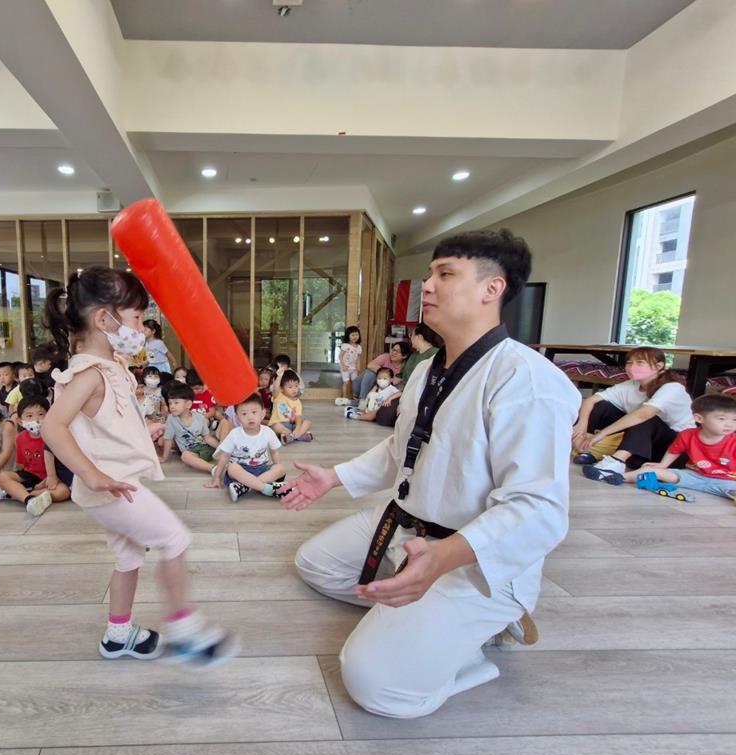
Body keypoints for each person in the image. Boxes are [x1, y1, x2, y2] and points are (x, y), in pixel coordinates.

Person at [283, 229, 579, 719]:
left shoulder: (525, 379)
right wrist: (332, 477)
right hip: (406, 522)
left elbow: (539, 510)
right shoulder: (426, 368)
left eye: (445, 274)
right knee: (314, 564)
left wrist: (445, 556)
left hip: (469, 556)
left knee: (374, 684)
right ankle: (426, 624)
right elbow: (403, 448)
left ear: (492, 288)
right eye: (429, 275)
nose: (427, 286)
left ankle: (472, 641)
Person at [42, 266, 238, 664]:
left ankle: (118, 635)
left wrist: (144, 430)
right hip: (113, 488)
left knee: (129, 557)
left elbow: (100, 424)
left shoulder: (108, 365)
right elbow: (52, 426)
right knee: (174, 539)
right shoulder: (90, 373)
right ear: (104, 319)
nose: (140, 328)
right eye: (135, 318)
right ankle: (186, 633)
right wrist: (92, 474)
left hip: (114, 484)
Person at [584, 393, 736, 499]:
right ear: (699, 418)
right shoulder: (688, 435)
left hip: (728, 482)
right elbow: (674, 450)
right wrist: (663, 465)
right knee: (652, 472)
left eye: (734, 420)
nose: (729, 424)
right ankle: (615, 477)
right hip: (693, 476)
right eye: (722, 419)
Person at [573, 346, 695, 478]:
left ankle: (616, 462)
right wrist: (582, 425)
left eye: (640, 363)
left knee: (644, 417)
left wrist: (603, 433)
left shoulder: (672, 388)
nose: (632, 367)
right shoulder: (631, 385)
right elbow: (591, 400)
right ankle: (584, 447)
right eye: (629, 363)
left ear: (659, 366)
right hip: (642, 446)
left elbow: (644, 414)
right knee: (602, 406)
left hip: (674, 451)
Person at [0, 396, 71, 516]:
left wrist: (50, 478)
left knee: (63, 492)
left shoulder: (54, 435)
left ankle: (18, 494)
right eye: (29, 416)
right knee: (2, 477)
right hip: (32, 474)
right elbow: (24, 464)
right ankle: (29, 499)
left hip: (53, 476)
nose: (36, 419)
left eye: (41, 414)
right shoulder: (20, 438)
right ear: (20, 420)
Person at [206, 393, 287, 503]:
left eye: (254, 412)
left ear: (263, 414)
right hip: (241, 470)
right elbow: (225, 456)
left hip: (262, 469)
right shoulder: (235, 434)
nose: (250, 417)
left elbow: (274, 452)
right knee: (232, 468)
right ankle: (266, 488)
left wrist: (276, 469)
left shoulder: (268, 432)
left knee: (281, 468)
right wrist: (216, 477)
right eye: (244, 414)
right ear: (237, 417)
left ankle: (245, 487)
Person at [160, 383, 219, 475]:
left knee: (185, 455)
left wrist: (222, 448)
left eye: (176, 403)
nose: (172, 406)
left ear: (188, 404)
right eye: (170, 403)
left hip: (205, 449)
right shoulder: (171, 419)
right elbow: (168, 439)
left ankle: (212, 466)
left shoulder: (200, 417)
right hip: (190, 452)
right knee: (185, 456)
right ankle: (213, 469)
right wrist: (164, 458)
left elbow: (207, 438)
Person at [348, 340, 411, 405]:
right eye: (393, 350)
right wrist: (386, 373)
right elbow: (370, 365)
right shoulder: (386, 356)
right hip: (358, 386)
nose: (393, 353)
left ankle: (356, 402)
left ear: (404, 356)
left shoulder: (406, 367)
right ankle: (362, 400)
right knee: (370, 372)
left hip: (377, 390)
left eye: (398, 351)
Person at [269, 369, 313, 443]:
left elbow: (298, 416)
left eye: (296, 386)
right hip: (281, 424)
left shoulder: (297, 401)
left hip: (293, 425)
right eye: (290, 387)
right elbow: (275, 389)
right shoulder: (278, 397)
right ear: (281, 388)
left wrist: (298, 427)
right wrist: (279, 376)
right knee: (275, 426)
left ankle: (292, 436)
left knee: (307, 422)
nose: (294, 389)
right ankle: (299, 435)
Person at [398, 323, 442, 390]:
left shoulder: (436, 354)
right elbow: (405, 378)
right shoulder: (414, 355)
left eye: (411, 335)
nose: (410, 338)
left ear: (419, 337)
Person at [337, 325, 363, 404]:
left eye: (356, 335)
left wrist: (358, 367)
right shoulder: (345, 345)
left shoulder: (359, 347)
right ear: (348, 336)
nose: (355, 337)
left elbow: (358, 358)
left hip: (353, 368)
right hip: (345, 367)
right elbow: (340, 356)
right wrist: (343, 365)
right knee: (346, 382)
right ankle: (344, 398)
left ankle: (353, 397)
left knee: (355, 382)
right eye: (352, 335)